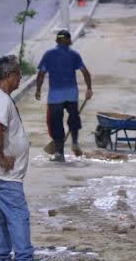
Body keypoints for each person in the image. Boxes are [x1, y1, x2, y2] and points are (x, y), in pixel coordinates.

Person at [0, 55, 53, 261]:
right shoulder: (1, 101)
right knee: (18, 214)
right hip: (4, 172)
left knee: (1, 215)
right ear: (7, 76)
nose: (20, 78)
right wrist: (2, 158)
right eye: (17, 74)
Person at [35, 29, 93, 162]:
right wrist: (89, 88)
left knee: (56, 123)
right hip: (71, 94)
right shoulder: (74, 55)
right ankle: (74, 143)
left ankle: (59, 153)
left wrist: (38, 90)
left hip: (55, 96)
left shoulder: (49, 55)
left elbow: (41, 74)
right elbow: (85, 72)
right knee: (74, 118)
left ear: (57, 41)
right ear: (69, 41)